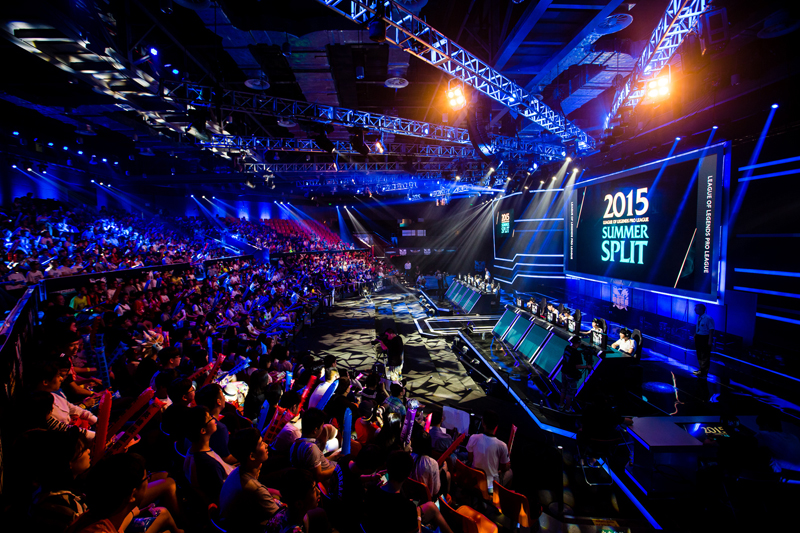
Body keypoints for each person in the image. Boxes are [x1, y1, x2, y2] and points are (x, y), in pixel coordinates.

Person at [67, 453, 182, 533]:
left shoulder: (99, 513)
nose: (148, 481)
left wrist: (132, 512)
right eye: (146, 478)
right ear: (132, 494)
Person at [362, 450, 454, 533]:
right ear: (408, 475)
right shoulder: (408, 508)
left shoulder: (371, 492)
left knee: (431, 506)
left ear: (387, 469)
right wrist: (418, 516)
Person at [219, 428, 283, 532]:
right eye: (261, 443)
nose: (266, 445)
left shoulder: (237, 471)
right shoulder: (255, 489)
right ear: (252, 456)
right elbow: (282, 519)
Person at [183, 406, 235, 504]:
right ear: (203, 430)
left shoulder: (193, 450)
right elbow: (221, 497)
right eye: (210, 418)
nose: (214, 418)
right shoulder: (209, 464)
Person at [289, 408, 339, 482]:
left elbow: (316, 462)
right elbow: (319, 476)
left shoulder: (294, 444)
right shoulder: (311, 448)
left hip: (329, 465)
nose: (322, 429)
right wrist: (339, 467)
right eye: (321, 426)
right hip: (332, 478)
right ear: (315, 430)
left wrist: (334, 457)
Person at [467, 410, 511, 492]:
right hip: (490, 487)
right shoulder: (502, 446)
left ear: (483, 423)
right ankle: (497, 496)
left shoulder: (473, 438)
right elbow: (503, 468)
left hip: (474, 480)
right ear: (496, 426)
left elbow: (470, 459)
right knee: (510, 472)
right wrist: (507, 465)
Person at [558, 336, 590, 412]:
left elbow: (570, 356)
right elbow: (577, 366)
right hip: (571, 375)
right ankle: (568, 409)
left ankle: (561, 405)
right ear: (578, 343)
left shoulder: (567, 348)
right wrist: (587, 366)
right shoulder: (577, 354)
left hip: (564, 372)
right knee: (570, 393)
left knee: (563, 390)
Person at [693, 304, 715, 376]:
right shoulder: (699, 317)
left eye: (697, 309)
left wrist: (710, 340)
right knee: (699, 354)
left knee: (705, 355)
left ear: (702, 310)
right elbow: (698, 327)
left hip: (705, 337)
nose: (695, 310)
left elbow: (711, 329)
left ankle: (704, 371)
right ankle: (701, 369)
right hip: (699, 337)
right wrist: (696, 334)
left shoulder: (708, 318)